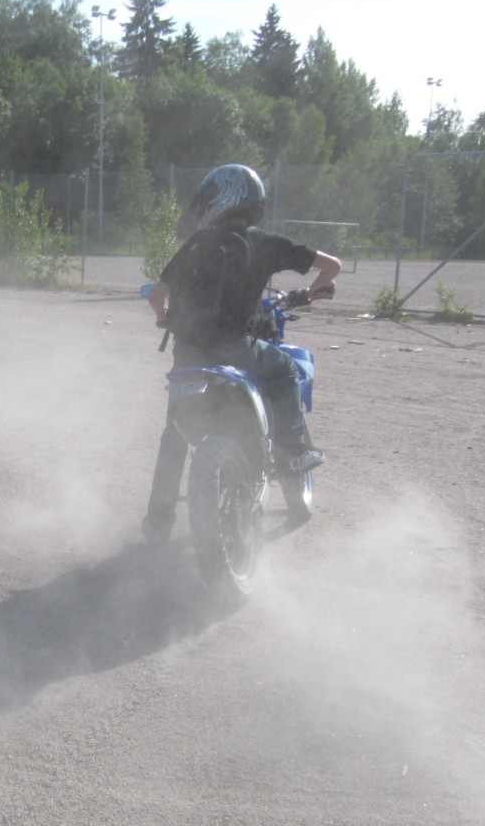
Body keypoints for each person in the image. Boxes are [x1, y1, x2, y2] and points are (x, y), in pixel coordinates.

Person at [141, 164, 341, 544]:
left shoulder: (195, 244)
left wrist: (163, 317)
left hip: (188, 356)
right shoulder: (264, 242)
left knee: (174, 434)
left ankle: (157, 521)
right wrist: (317, 288)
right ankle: (293, 453)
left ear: (218, 200)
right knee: (286, 369)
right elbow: (333, 266)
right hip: (234, 348)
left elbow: (156, 296)